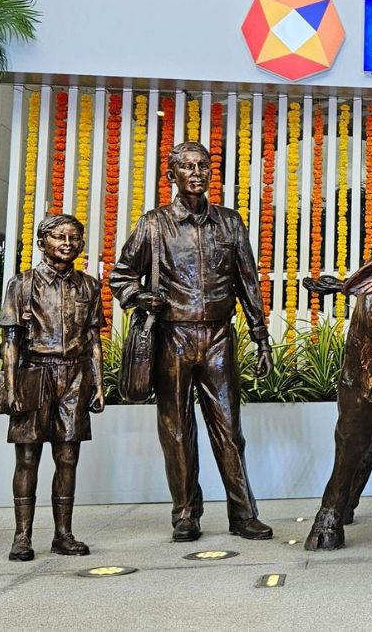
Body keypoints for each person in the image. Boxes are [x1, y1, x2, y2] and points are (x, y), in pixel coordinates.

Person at [110, 141, 274, 542]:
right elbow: (121, 275)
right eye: (187, 167)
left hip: (218, 336)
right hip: (173, 335)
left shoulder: (230, 223)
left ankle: (243, 513)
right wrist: (140, 297)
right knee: (177, 430)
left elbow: (248, 283)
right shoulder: (154, 224)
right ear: (172, 176)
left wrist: (261, 339)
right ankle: (185, 514)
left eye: (203, 166)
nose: (197, 173)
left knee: (229, 428)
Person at [0, 214, 104, 560]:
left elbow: (94, 339)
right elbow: (10, 340)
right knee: (28, 457)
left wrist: (98, 384)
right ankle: (22, 536)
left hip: (74, 376)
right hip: (34, 373)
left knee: (68, 457)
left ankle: (63, 534)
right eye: (59, 236)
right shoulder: (22, 284)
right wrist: (11, 387)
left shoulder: (89, 286)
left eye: (74, 238)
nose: (67, 243)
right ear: (42, 242)